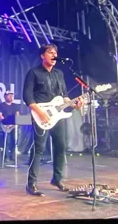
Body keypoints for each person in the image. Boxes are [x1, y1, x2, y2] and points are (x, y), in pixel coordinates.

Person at [23, 44, 81, 195]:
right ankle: (31, 183)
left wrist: (74, 104)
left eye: (56, 52)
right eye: (50, 52)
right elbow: (27, 96)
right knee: (39, 149)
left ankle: (57, 179)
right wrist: (40, 113)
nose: (54, 55)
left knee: (60, 147)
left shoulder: (59, 74)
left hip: (57, 116)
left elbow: (64, 97)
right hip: (40, 115)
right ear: (42, 55)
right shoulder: (34, 73)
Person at [0, 90, 24, 161]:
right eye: (9, 95)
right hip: (5, 126)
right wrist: (6, 122)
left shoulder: (15, 106)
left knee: (15, 140)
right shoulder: (2, 105)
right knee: (7, 141)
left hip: (14, 126)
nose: (11, 96)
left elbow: (17, 115)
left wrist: (15, 122)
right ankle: (6, 156)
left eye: (12, 95)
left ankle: (12, 155)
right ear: (5, 96)